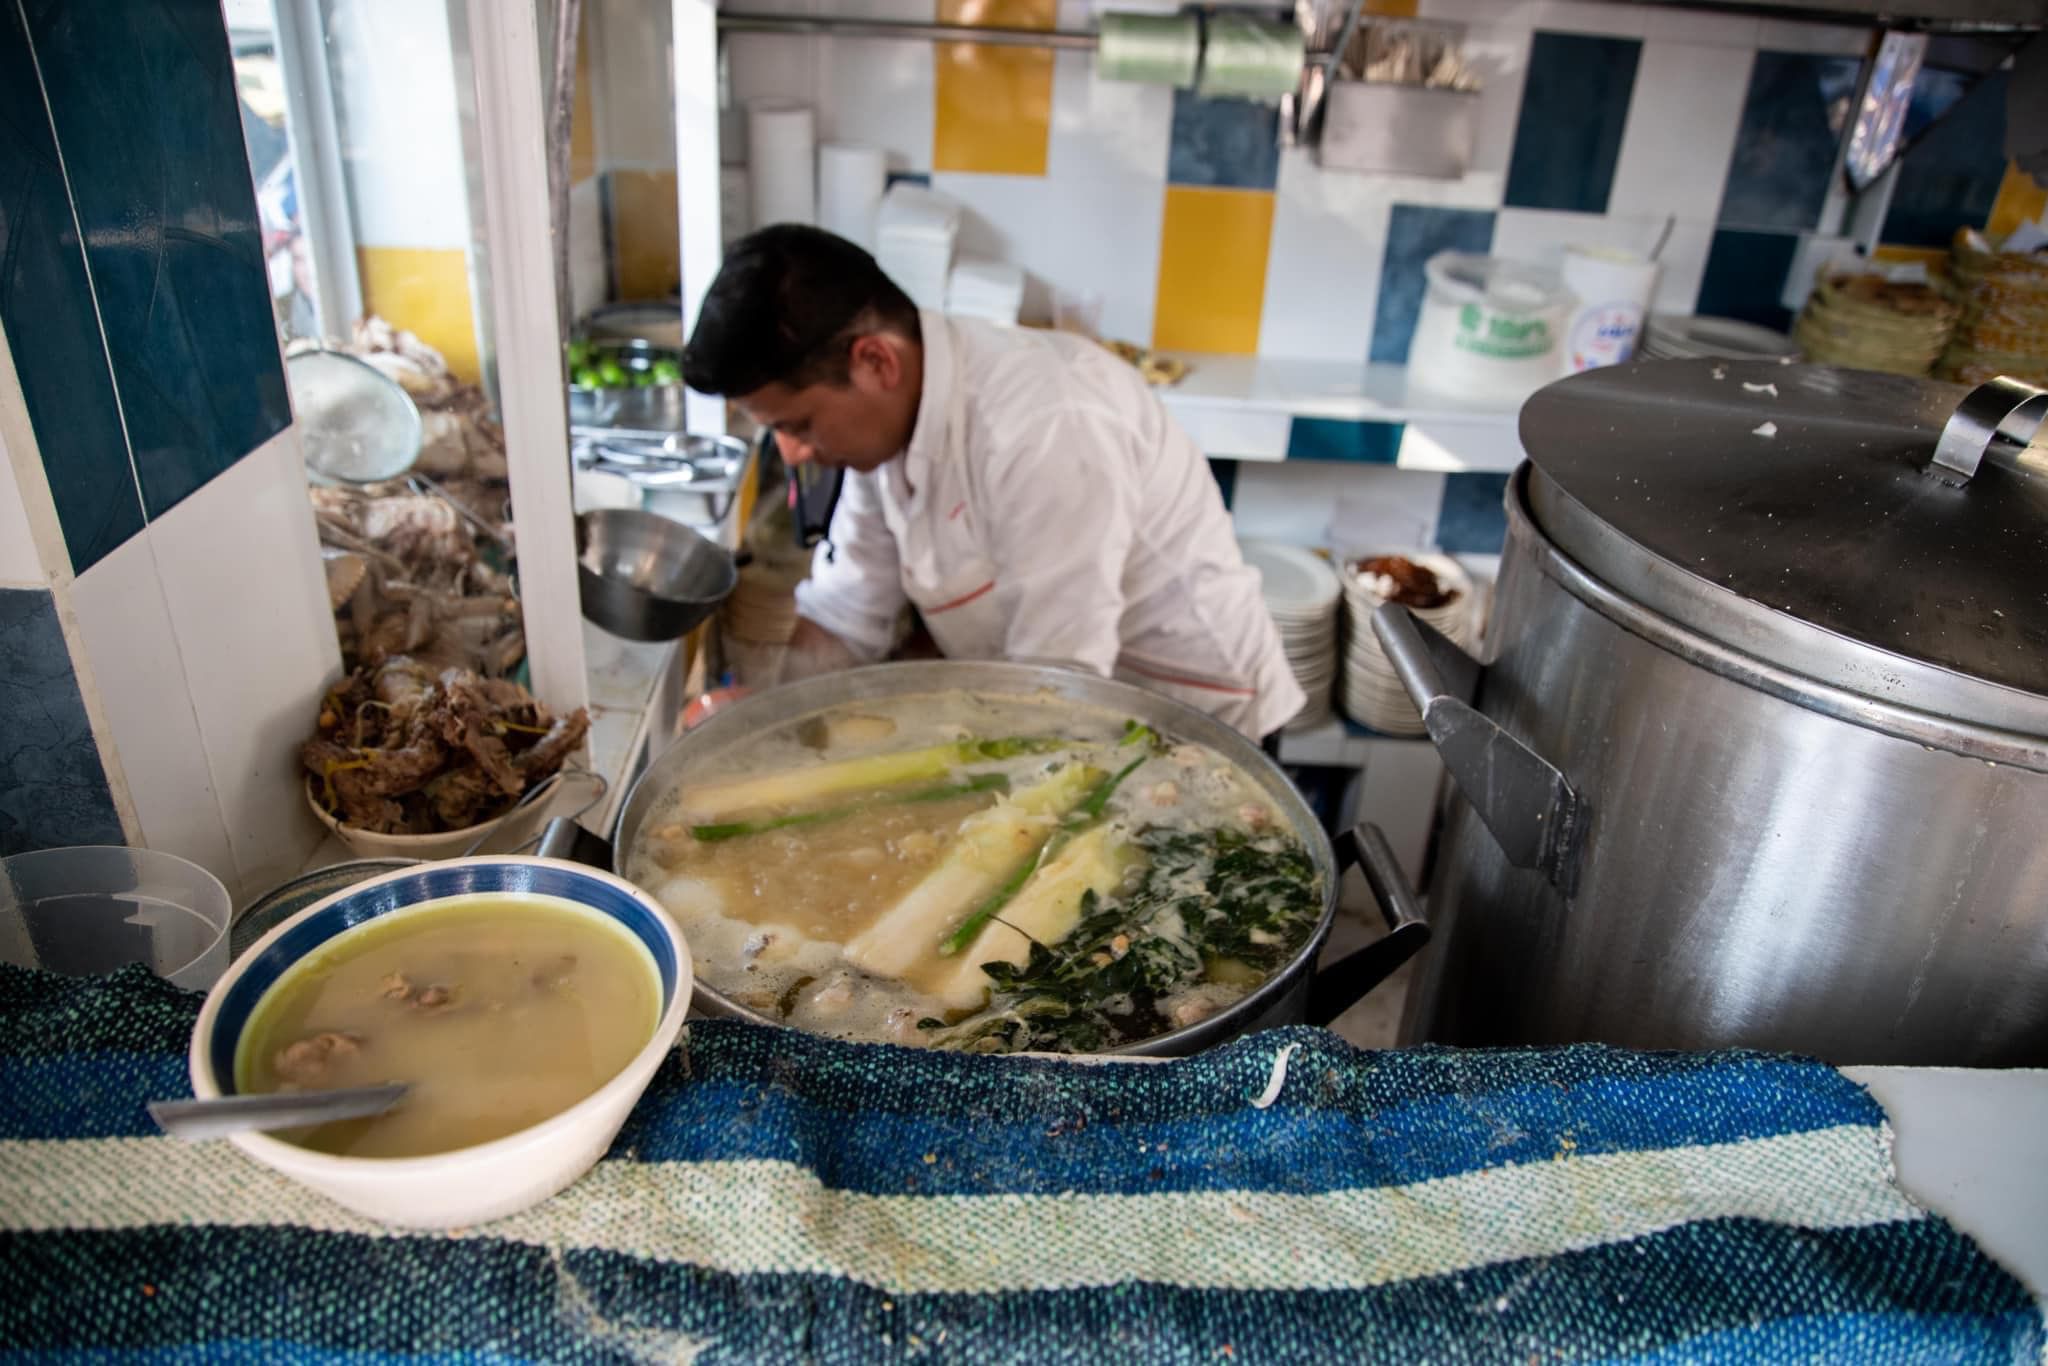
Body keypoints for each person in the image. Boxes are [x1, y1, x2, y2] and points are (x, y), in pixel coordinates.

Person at [682, 225, 1304, 741]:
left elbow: (1058, 685)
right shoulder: (881, 431)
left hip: (1194, 715)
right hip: (1058, 699)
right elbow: (846, 619)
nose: (792, 453)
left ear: (876, 361)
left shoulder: (1045, 426)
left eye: (799, 424)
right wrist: (763, 728)